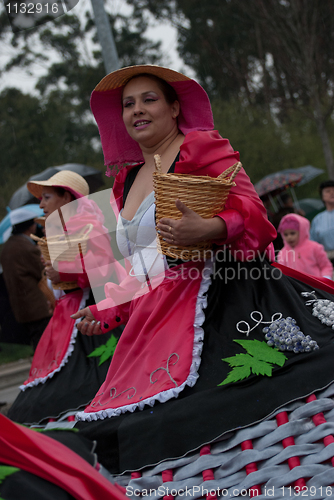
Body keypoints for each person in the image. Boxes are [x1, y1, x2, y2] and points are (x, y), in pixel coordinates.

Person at [2, 65, 334, 497]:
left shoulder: (199, 147)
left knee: (231, 411)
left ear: (175, 107)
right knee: (135, 430)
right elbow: (135, 267)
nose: (137, 110)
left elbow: (253, 214)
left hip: (221, 299)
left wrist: (212, 228)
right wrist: (107, 309)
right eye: (128, 104)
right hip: (154, 320)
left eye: (149, 99)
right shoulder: (125, 180)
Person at [7, 171, 125, 426]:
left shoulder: (90, 225)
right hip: (66, 312)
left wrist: (63, 270)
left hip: (89, 311)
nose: (41, 204)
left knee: (86, 379)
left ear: (66, 197)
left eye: (47, 197)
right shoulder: (59, 230)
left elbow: (104, 268)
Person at [0, 217, 51, 350]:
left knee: (38, 343)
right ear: (30, 227)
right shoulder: (26, 247)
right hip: (38, 307)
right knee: (45, 345)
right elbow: (42, 272)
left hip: (22, 307)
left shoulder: (8, 246)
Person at [277, 213, 333, 279]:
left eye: (292, 233)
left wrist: (326, 278)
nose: (289, 237)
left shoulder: (314, 247)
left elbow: (326, 266)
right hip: (296, 288)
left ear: (301, 231)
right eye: (285, 234)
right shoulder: (282, 253)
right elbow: (282, 273)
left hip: (316, 286)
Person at [310, 179, 334, 264]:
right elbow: (313, 242)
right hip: (329, 262)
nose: (332, 193)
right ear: (322, 197)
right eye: (328, 191)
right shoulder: (317, 219)